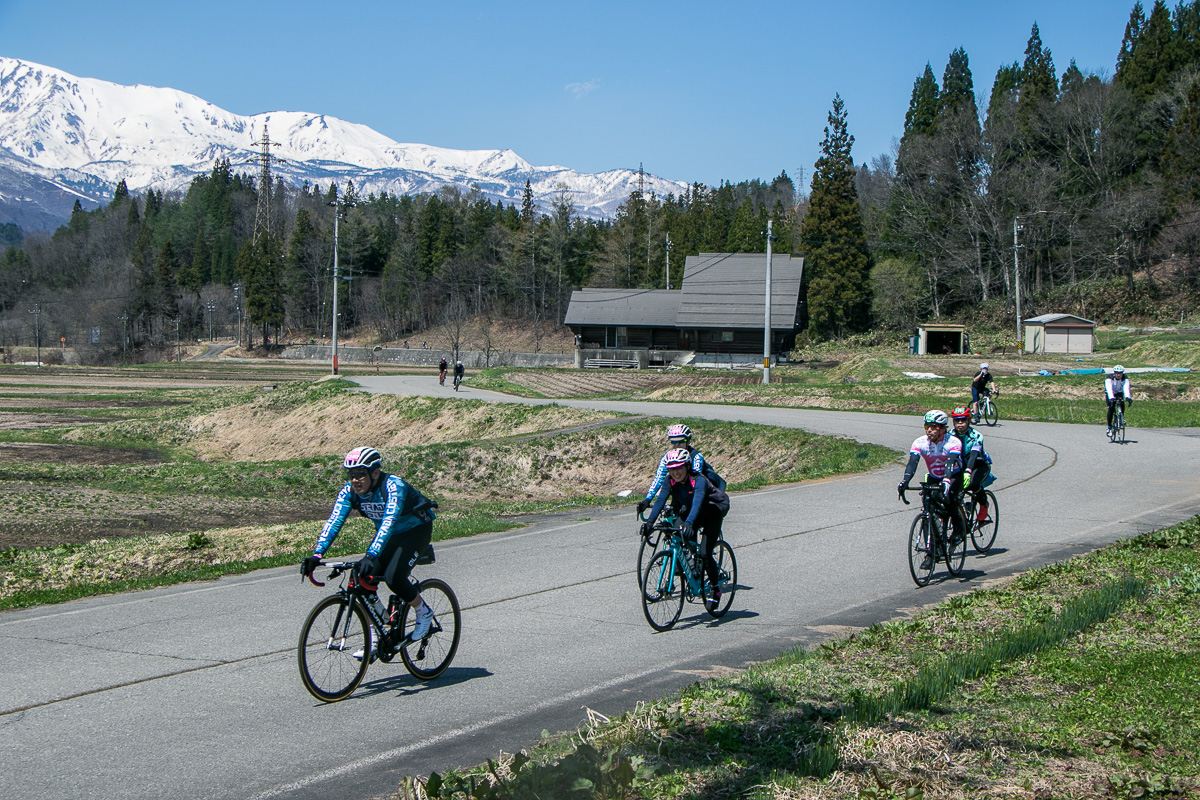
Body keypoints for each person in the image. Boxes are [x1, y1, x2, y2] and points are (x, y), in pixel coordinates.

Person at [300, 447, 438, 661]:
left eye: (360, 474)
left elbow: (389, 522)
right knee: (361, 578)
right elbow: (335, 520)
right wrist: (317, 555)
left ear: (375, 473)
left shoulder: (393, 486)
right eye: (351, 475)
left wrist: (371, 554)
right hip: (389, 536)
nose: (355, 480)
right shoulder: (349, 492)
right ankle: (376, 636)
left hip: (415, 531)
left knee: (394, 577)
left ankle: (423, 611)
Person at [641, 448, 730, 608]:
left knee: (704, 552)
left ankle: (715, 590)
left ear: (687, 466)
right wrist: (649, 523)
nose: (675, 472)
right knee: (676, 532)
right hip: (691, 509)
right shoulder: (669, 480)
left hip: (712, 509)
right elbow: (661, 499)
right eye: (671, 469)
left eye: (679, 467)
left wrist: (689, 523)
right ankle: (692, 567)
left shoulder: (698, 480)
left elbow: (697, 503)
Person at [897, 410, 966, 568]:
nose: (929, 430)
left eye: (933, 427)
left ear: (942, 429)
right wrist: (905, 481)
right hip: (934, 476)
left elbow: (951, 461)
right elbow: (913, 463)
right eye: (927, 426)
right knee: (928, 508)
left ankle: (959, 529)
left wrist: (947, 480)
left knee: (949, 498)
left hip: (954, 475)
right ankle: (932, 552)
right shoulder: (920, 442)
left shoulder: (952, 442)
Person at [637, 424, 722, 515]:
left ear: (688, 441)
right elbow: (659, 477)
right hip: (681, 489)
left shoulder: (696, 456)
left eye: (681, 441)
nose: (677, 445)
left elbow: (695, 480)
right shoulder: (668, 457)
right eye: (673, 442)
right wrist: (648, 499)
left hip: (702, 492)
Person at [950, 406, 993, 524]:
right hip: (961, 465)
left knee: (973, 484)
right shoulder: (949, 435)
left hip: (978, 465)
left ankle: (984, 504)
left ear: (968, 421)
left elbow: (974, 455)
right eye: (957, 421)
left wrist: (968, 471)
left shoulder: (976, 436)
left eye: (963, 420)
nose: (960, 424)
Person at [1105, 365, 1133, 432]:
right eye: (1117, 373)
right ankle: (1109, 427)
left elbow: (1126, 388)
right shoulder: (1109, 378)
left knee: (1122, 403)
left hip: (1119, 393)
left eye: (1120, 373)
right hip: (1110, 393)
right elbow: (1109, 389)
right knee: (1111, 409)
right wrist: (1111, 398)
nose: (1118, 375)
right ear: (1114, 373)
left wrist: (1127, 397)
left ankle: (1121, 418)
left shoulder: (1125, 378)